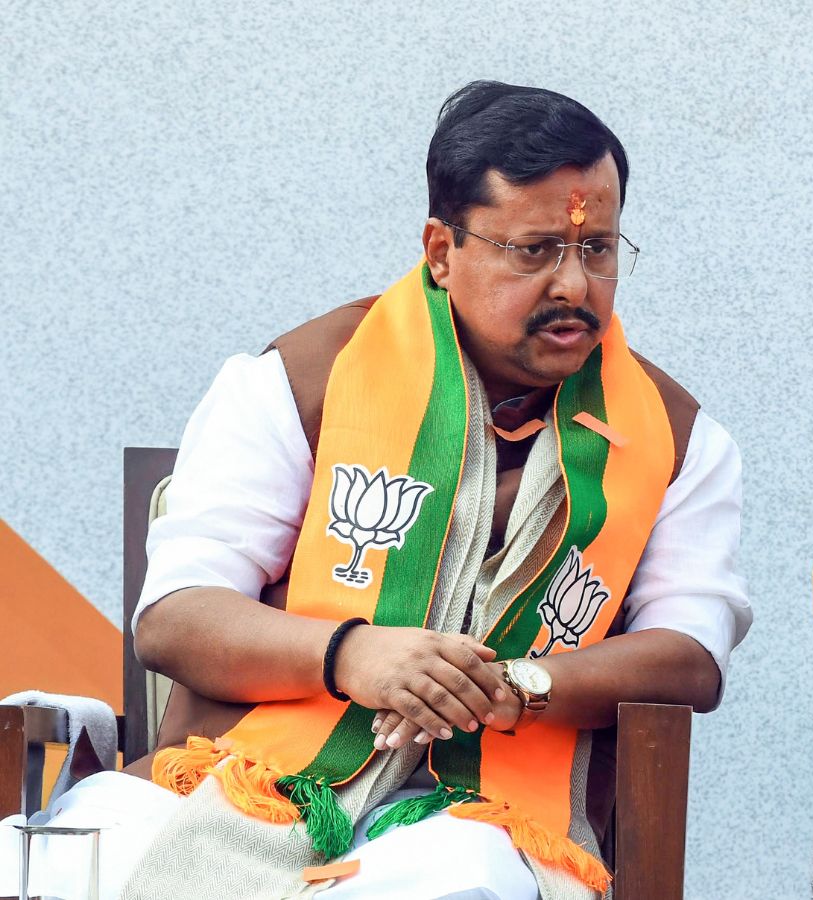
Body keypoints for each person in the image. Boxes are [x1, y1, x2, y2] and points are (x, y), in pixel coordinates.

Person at [4, 80, 751, 900]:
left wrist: (519, 686)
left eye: (598, 249)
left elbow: (691, 654)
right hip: (244, 781)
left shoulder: (679, 439)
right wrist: (352, 655)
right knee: (40, 862)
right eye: (534, 251)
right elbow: (177, 615)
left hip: (488, 818)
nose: (575, 285)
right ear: (441, 250)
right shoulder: (298, 381)